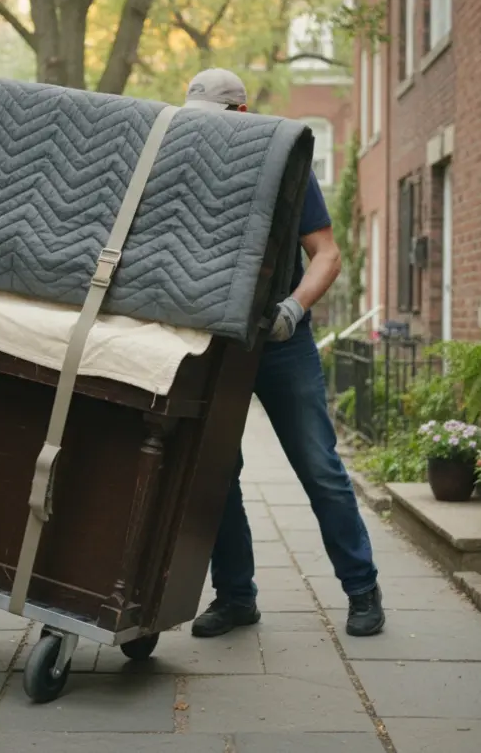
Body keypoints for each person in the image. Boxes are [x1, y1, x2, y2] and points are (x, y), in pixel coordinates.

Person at [182, 68, 386, 639]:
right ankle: (235, 596)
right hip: (218, 339)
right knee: (216, 468)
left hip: (281, 339)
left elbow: (326, 253)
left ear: (243, 116)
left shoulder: (288, 169)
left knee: (318, 466)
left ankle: (363, 588)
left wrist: (292, 309)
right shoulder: (193, 166)